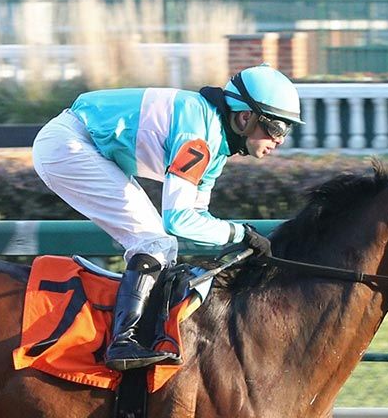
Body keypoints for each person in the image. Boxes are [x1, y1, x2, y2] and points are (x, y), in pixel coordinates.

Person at [31, 63, 303, 371]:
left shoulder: (215, 142)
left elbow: (197, 219)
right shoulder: (197, 139)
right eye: (276, 127)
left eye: (287, 129)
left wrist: (238, 239)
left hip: (76, 143)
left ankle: (134, 336)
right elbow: (178, 220)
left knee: (161, 245)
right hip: (68, 146)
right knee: (154, 242)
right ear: (245, 117)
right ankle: (122, 342)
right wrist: (241, 234)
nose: (280, 139)